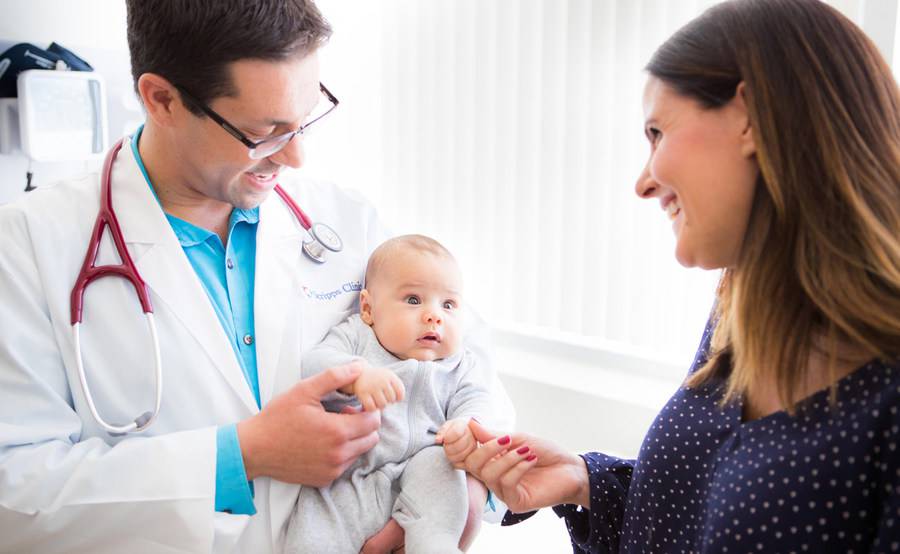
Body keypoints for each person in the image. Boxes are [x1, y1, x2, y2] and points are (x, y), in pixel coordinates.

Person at [0, 1, 512, 552]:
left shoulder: (346, 219)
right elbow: (16, 489)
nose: (295, 157)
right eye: (263, 132)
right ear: (162, 99)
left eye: (306, 117)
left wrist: (461, 493)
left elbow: (467, 371)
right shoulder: (29, 243)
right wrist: (242, 456)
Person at [460, 0, 900, 552]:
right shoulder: (742, 310)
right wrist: (584, 482)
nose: (643, 182)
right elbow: (696, 514)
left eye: (656, 131)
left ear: (750, 117)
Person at [286, 234, 504, 553]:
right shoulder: (358, 338)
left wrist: (466, 424)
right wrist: (357, 376)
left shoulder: (459, 363)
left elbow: (478, 398)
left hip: (424, 471)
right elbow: (315, 363)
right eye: (414, 300)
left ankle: (436, 544)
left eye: (449, 304)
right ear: (368, 308)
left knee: (442, 473)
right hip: (350, 477)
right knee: (314, 536)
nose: (435, 315)